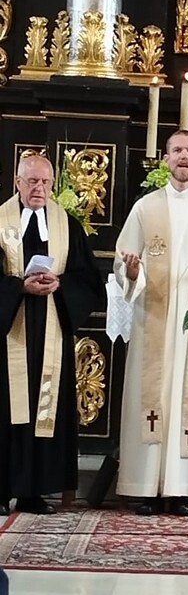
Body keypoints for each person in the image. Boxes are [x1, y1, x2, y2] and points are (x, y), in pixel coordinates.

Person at [114, 131, 188, 516]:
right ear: (166, 159)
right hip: (155, 317)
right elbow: (122, 261)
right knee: (153, 396)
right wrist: (133, 271)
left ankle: (184, 489)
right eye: (177, 150)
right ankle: (145, 488)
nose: (183, 156)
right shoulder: (145, 208)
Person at [0, 152, 102, 515]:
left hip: (51, 331)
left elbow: (87, 277)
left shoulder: (67, 225)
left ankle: (34, 492)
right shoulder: (0, 220)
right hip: (9, 333)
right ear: (17, 182)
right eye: (32, 181)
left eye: (45, 182)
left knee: (44, 411)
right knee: (6, 410)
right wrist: (18, 288)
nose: (39, 188)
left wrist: (60, 284)